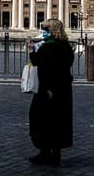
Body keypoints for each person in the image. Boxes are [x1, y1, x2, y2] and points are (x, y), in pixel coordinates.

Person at [27, 18, 75, 166]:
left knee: (40, 119)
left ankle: (44, 152)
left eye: (45, 30)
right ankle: (56, 154)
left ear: (51, 31)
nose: (43, 32)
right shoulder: (66, 46)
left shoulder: (47, 47)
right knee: (59, 121)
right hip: (63, 89)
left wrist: (31, 51)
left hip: (47, 89)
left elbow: (40, 65)